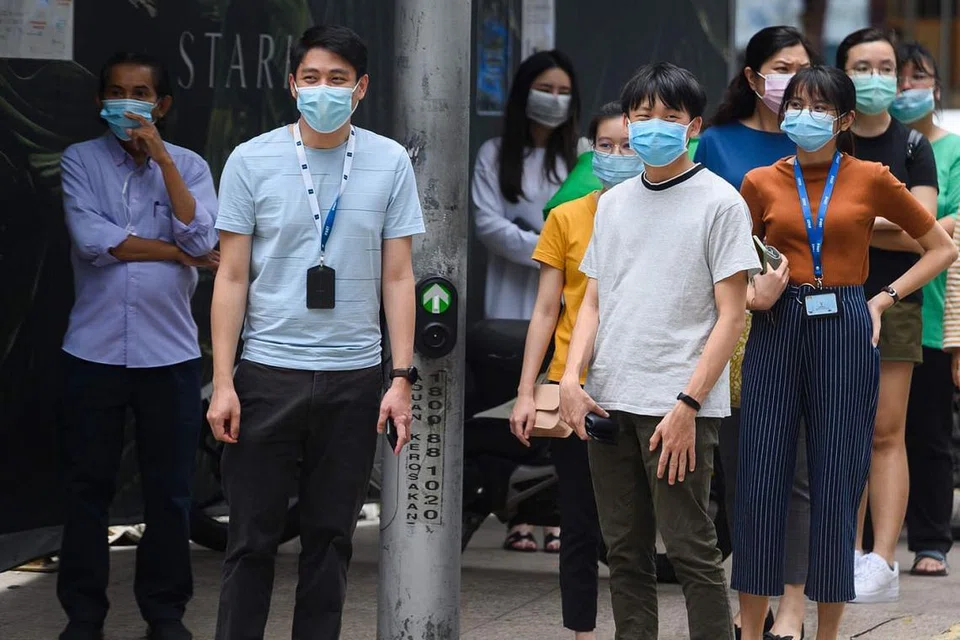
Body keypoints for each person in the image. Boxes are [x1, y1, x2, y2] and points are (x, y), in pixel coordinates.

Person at [207, 25, 424, 639]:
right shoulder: (250, 159)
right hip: (267, 373)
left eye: (337, 79)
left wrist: (400, 378)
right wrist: (223, 381)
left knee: (331, 541)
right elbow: (231, 276)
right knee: (250, 540)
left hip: (354, 376)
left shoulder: (389, 161)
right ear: (291, 84)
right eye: (311, 78)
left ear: (361, 88)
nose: (323, 89)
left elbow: (399, 275)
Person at [732, 66, 956, 640]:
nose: (803, 116)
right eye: (795, 105)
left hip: (847, 323)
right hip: (777, 323)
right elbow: (733, 265)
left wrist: (883, 299)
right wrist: (754, 294)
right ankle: (751, 629)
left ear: (844, 119)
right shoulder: (758, 181)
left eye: (818, 107)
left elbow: (939, 247)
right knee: (760, 477)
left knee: (837, 480)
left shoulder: (872, 176)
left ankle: (827, 631)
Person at [560, 62, 761, 640]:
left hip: (677, 406)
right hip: (609, 399)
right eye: (642, 115)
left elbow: (732, 314)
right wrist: (571, 378)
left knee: (692, 549)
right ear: (627, 122)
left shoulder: (720, 202)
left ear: (693, 126)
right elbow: (594, 300)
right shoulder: (613, 203)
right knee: (624, 552)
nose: (653, 126)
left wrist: (689, 405)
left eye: (670, 116)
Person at [57, 52, 220, 640]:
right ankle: (83, 616)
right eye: (117, 92)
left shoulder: (191, 165)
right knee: (87, 488)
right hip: (93, 351)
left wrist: (163, 161)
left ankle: (165, 614)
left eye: (141, 93)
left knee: (170, 493)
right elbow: (95, 241)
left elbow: (203, 235)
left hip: (169, 355)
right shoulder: (79, 160)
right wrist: (177, 252)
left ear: (162, 105)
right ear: (101, 101)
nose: (128, 103)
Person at [695, 25, 818, 640]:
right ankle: (753, 606)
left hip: (811, 319)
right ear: (751, 77)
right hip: (738, 324)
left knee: (797, 473)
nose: (791, 81)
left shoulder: (818, 142)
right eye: (780, 68)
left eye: (802, 68)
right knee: (745, 474)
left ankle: (791, 609)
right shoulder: (715, 143)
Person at [510, 101, 642, 640]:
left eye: (627, 145)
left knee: (635, 529)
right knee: (580, 525)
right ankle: (581, 633)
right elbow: (546, 310)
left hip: (641, 384)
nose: (616, 155)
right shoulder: (566, 217)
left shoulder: (664, 212)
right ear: (590, 151)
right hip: (574, 389)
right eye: (605, 146)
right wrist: (526, 391)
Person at [835, 27, 942, 604]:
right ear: (841, 72)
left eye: (884, 68)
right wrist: (889, 222)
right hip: (828, 299)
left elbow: (922, 233)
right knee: (841, 431)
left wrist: (852, 221)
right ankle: (843, 553)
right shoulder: (830, 136)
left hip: (895, 298)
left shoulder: (913, 145)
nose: (874, 78)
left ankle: (881, 560)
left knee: (885, 432)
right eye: (861, 67)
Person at [472, 49, 580, 551]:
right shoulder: (495, 154)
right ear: (523, 93)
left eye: (564, 92)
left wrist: (553, 253)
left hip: (564, 302)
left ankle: (555, 516)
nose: (555, 100)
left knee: (557, 404)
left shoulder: (580, 155)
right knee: (513, 407)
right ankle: (515, 515)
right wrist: (546, 250)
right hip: (510, 299)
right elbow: (486, 223)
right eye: (546, 89)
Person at [893, 40, 960, 578]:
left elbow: (948, 228)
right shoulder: (880, 145)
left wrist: (919, 230)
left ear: (935, 86)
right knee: (874, 429)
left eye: (918, 77)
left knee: (929, 430)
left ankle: (932, 540)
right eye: (899, 77)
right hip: (883, 302)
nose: (906, 87)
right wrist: (928, 228)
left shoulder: (952, 149)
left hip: (937, 310)